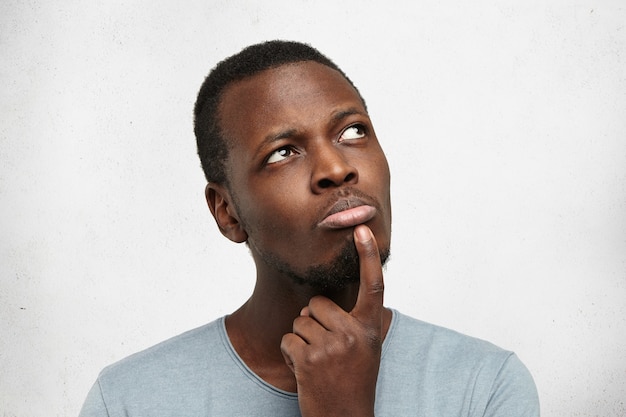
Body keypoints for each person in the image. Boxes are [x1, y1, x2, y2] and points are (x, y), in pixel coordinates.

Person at [79, 40, 539, 416]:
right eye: (283, 152)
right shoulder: (127, 401)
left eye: (353, 131)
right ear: (227, 212)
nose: (337, 168)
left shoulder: (484, 386)